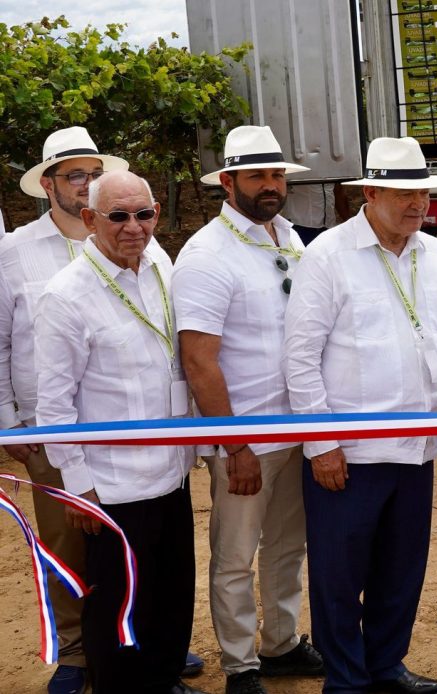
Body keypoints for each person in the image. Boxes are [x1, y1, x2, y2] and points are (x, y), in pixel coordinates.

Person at [284, 137, 437, 694]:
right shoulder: (328, 255)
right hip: (349, 454)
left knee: (401, 570)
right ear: (370, 193)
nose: (417, 204)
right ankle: (346, 682)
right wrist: (322, 444)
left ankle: (387, 666)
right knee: (339, 577)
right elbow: (300, 357)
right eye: (403, 194)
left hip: (418, 446)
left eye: (423, 193)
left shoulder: (435, 253)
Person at [34, 170, 205, 694]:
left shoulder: (160, 264)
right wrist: (79, 487)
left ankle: (165, 679)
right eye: (118, 216)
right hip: (112, 485)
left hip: (172, 469)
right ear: (90, 219)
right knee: (117, 604)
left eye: (144, 214)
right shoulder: (65, 295)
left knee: (171, 589)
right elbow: (54, 405)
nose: (134, 227)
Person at [175, 126, 323, 694]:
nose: (271, 185)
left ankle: (280, 645)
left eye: (277, 174)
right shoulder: (206, 255)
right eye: (257, 175)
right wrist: (234, 444)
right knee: (236, 556)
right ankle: (240, 665)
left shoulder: (289, 238)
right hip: (245, 438)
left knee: (288, 547)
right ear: (228, 182)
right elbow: (199, 360)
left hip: (296, 427)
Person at [0, 126, 127, 694]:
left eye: (96, 174)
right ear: (47, 184)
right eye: (76, 175)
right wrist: (8, 422)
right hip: (49, 426)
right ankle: (76, 653)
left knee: (129, 536)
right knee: (65, 543)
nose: (87, 184)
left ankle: (129, 641)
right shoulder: (13, 253)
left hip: (125, 424)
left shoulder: (129, 237)